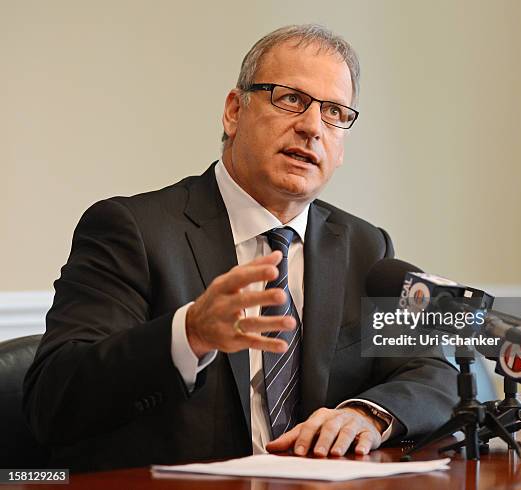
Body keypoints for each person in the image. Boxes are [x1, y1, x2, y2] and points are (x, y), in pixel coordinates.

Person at [23, 24, 456, 472]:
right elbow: (53, 399)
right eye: (291, 99)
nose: (312, 127)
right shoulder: (132, 230)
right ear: (234, 111)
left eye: (334, 113)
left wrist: (367, 414)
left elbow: (434, 373)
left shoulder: (366, 248)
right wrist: (187, 334)